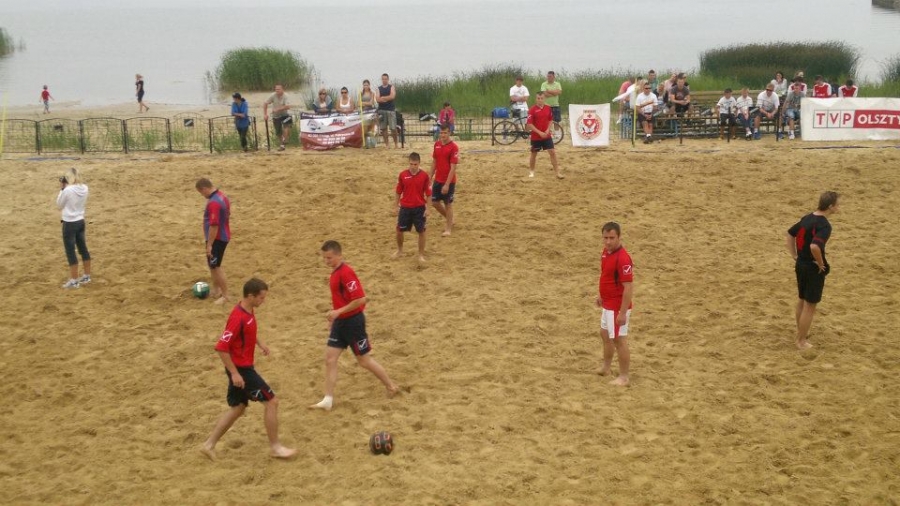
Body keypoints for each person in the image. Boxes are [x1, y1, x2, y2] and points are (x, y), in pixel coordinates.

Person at [201, 278, 297, 460]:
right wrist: (235, 373)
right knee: (272, 402)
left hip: (241, 367)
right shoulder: (237, 318)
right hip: (242, 370)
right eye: (261, 298)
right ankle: (276, 447)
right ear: (251, 296)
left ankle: (208, 445)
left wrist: (259, 343)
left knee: (238, 407)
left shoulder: (247, 310)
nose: (263, 301)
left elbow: (248, 329)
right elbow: (221, 347)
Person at [310, 241, 399, 411]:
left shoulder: (346, 273)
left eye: (329, 258)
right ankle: (328, 399)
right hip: (340, 323)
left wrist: (338, 312)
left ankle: (391, 386)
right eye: (324, 258)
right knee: (330, 359)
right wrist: (334, 317)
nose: (326, 261)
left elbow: (360, 299)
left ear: (339, 255)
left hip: (353, 323)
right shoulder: (335, 272)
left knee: (364, 360)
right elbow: (341, 299)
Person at [786, 191, 839, 350]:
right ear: (830, 206)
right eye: (837, 204)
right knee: (810, 306)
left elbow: (790, 233)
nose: (839, 207)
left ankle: (801, 333)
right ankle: (801, 341)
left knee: (802, 300)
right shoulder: (824, 225)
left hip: (800, 264)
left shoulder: (807, 217)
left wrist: (794, 255)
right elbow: (815, 246)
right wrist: (821, 263)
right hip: (812, 268)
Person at [595, 222, 634, 387]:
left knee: (619, 339)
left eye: (612, 238)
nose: (608, 241)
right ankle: (606, 367)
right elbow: (606, 275)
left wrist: (622, 313)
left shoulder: (623, 259)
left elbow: (628, 287)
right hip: (608, 303)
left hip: (617, 306)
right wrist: (601, 295)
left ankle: (624, 377)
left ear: (619, 237)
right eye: (605, 238)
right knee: (605, 334)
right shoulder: (606, 252)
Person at [195, 178, 230, 305]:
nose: (202, 195)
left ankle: (225, 296)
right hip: (222, 235)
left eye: (201, 192)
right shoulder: (222, 196)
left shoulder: (214, 203)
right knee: (212, 265)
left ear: (204, 189)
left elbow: (214, 225)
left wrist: (209, 244)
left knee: (216, 267)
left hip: (217, 239)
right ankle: (216, 290)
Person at [57, 168, 91, 289]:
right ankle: (87, 276)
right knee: (83, 248)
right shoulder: (85, 188)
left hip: (69, 223)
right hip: (80, 220)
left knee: (70, 251)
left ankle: (74, 280)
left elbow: (59, 205)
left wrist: (62, 189)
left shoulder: (67, 190)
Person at [393, 152, 431, 262]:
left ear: (419, 163)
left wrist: (428, 208)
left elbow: (429, 194)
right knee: (399, 230)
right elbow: (398, 191)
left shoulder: (424, 176)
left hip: (419, 208)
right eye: (411, 164)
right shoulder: (403, 175)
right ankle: (400, 250)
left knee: (421, 231)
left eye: (415, 164)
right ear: (408, 163)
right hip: (405, 207)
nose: (413, 166)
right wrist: (395, 206)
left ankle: (420, 255)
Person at [430, 125, 460, 236]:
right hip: (438, 179)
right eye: (441, 133)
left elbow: (453, 168)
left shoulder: (454, 147)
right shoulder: (437, 144)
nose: (443, 135)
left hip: (449, 181)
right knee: (434, 202)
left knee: (448, 204)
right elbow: (434, 162)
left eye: (445, 133)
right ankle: (450, 219)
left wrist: (447, 184)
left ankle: (448, 229)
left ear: (449, 133)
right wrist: (429, 178)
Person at [526, 92, 562, 179]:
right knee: (534, 154)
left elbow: (550, 120)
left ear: (544, 99)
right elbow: (529, 124)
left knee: (552, 152)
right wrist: (539, 132)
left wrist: (547, 130)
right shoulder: (532, 110)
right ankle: (531, 172)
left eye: (541, 98)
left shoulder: (548, 108)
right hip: (536, 136)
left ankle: (557, 172)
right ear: (536, 99)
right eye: (538, 98)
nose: (540, 100)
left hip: (546, 135)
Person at [263, 84, 292, 151]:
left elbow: (288, 106)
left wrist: (278, 109)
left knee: (286, 127)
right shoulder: (273, 95)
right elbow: (265, 103)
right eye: (276, 89)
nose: (277, 91)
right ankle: (282, 145)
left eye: (278, 89)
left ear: (282, 89)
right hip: (276, 116)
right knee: (278, 132)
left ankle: (284, 140)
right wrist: (265, 114)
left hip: (285, 114)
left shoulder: (286, 96)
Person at [375, 73, 399, 149]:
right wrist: (386, 98)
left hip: (390, 110)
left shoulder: (391, 87)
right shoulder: (378, 88)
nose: (384, 80)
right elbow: (377, 99)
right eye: (383, 79)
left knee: (393, 128)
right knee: (383, 129)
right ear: (381, 79)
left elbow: (392, 96)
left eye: (385, 79)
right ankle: (387, 144)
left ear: (388, 79)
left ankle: (396, 144)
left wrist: (383, 98)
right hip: (382, 110)